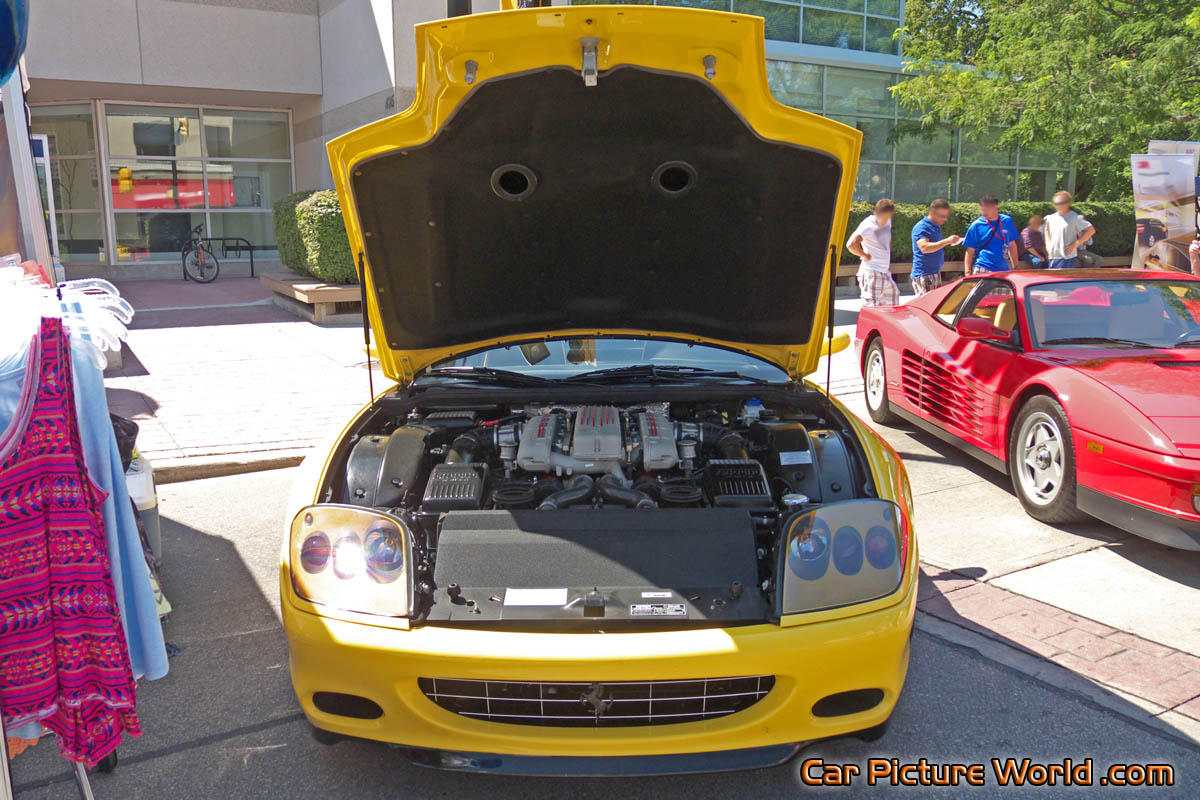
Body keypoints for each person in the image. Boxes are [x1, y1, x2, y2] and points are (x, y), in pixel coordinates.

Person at [848, 198, 898, 306]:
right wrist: (865, 255)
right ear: (877, 213)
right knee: (871, 307)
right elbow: (851, 245)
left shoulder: (887, 222)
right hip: (872, 271)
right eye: (884, 217)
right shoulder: (868, 226)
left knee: (892, 305)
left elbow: (886, 241)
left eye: (888, 217)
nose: (886, 220)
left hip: (885, 272)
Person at [910, 198, 963, 295]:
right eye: (942, 216)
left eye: (946, 216)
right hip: (925, 274)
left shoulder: (934, 226)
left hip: (933, 273)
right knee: (927, 308)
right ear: (932, 212)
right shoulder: (922, 227)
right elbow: (924, 248)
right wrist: (947, 241)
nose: (945, 219)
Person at [963, 195, 1019, 274]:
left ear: (995, 207)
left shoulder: (1007, 221)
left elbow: (1012, 244)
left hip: (1003, 269)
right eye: (982, 210)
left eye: (986, 209)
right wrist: (967, 272)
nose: (983, 213)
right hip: (982, 266)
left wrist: (1016, 267)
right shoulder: (976, 225)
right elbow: (970, 250)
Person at [1043, 191, 1095, 269]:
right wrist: (1048, 244)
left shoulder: (1074, 217)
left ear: (1068, 203)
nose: (1058, 205)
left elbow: (1090, 230)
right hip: (1053, 257)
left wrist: (1075, 244)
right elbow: (1046, 230)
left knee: (1063, 280)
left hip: (1067, 258)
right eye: (1056, 203)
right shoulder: (1049, 218)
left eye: (1061, 203)